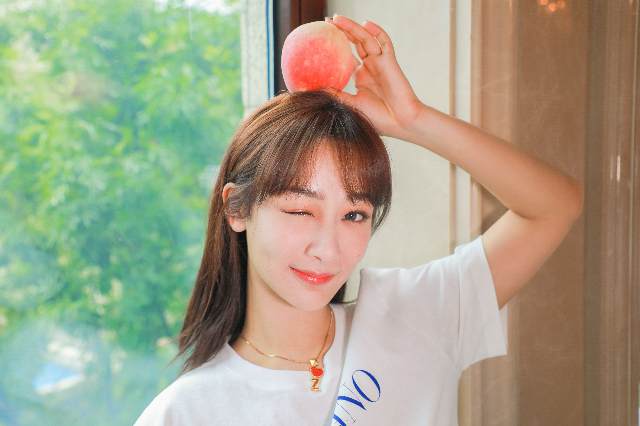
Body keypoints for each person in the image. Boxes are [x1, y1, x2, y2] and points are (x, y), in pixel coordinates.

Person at [134, 14, 582, 426]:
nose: (327, 249)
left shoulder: (416, 317)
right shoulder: (186, 413)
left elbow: (555, 206)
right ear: (237, 209)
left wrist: (412, 119)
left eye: (353, 214)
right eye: (300, 210)